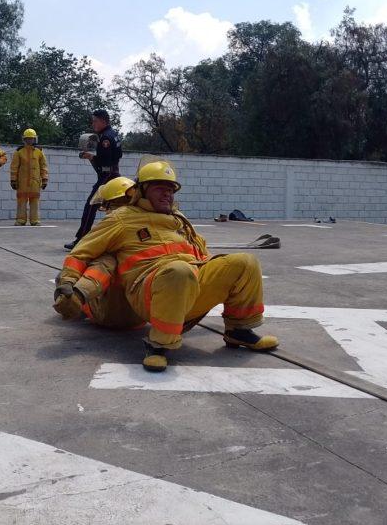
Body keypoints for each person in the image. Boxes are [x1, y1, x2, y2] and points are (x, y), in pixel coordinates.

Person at [55, 161, 278, 372]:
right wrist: (67, 283)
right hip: (149, 292)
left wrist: (217, 269)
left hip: (188, 282)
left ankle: (238, 331)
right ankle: (159, 345)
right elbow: (82, 252)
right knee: (178, 271)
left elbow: (201, 251)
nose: (167, 193)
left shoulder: (178, 220)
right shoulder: (122, 218)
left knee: (244, 263)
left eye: (171, 189)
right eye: (160, 188)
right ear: (141, 191)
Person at [52, 177, 143, 330]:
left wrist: (67, 280)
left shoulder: (112, 224)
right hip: (143, 315)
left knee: (102, 260)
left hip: (107, 315)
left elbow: (79, 254)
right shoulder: (154, 223)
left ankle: (75, 298)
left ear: (110, 203)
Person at [64, 108, 122, 249]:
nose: (93, 124)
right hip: (113, 174)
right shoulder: (113, 134)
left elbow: (105, 160)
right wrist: (92, 157)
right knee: (117, 208)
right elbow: (117, 156)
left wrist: (92, 157)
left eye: (95, 121)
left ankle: (81, 239)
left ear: (103, 121)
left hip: (106, 176)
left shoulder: (105, 138)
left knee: (90, 206)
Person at [10, 128, 49, 226]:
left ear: (34, 139)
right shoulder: (19, 152)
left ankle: (34, 220)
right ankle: (21, 220)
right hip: (22, 182)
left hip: (35, 182)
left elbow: (43, 166)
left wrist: (44, 179)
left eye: (31, 138)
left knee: (34, 201)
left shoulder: (39, 152)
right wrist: (13, 180)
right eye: (27, 138)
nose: (29, 140)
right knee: (21, 201)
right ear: (24, 139)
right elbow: (14, 167)